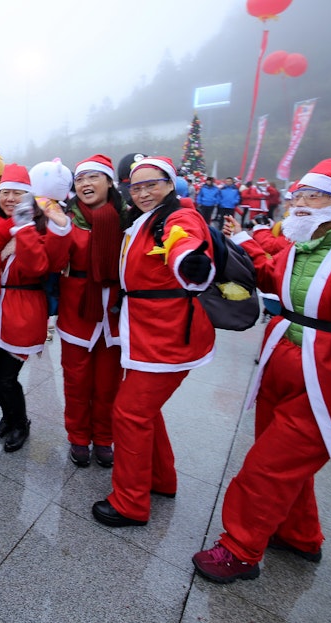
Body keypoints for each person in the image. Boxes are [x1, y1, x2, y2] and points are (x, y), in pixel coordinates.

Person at [192, 159, 331, 583]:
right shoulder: (300, 245)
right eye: (297, 195)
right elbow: (272, 275)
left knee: (267, 467)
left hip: (325, 377)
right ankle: (300, 536)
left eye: (312, 196)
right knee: (286, 465)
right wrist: (237, 242)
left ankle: (239, 550)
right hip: (280, 365)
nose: (298, 204)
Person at [91, 156, 215, 527]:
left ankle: (130, 503)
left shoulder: (178, 217)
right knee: (145, 410)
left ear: (170, 185)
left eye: (153, 185)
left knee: (129, 413)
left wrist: (190, 261)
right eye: (137, 186)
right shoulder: (143, 219)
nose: (144, 192)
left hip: (168, 335)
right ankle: (161, 480)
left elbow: (184, 242)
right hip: (146, 333)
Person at [0, 163, 71, 452]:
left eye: (18, 193)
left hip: (21, 309)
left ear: (29, 197)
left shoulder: (37, 229)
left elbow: (38, 266)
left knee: (7, 376)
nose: (10, 199)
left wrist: (24, 229)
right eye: (6, 193)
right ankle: (8, 418)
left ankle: (20, 424)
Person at [56, 154, 127, 469]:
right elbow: (54, 262)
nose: (85, 184)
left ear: (109, 182)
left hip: (114, 312)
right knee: (76, 381)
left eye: (93, 177)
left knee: (108, 383)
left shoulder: (129, 218)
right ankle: (78, 438)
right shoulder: (66, 218)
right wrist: (55, 231)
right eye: (80, 179)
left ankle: (104, 438)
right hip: (77, 310)